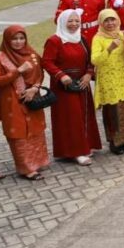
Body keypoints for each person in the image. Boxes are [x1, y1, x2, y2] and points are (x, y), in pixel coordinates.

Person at [43, 10, 101, 165]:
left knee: (85, 114)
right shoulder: (54, 41)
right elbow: (47, 61)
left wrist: (89, 74)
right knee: (71, 118)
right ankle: (75, 151)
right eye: (70, 21)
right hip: (64, 86)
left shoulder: (82, 38)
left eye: (77, 21)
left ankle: (87, 145)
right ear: (62, 22)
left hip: (82, 83)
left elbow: (90, 60)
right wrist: (61, 75)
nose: (74, 24)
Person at [0, 26, 50, 180]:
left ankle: (38, 162)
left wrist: (35, 88)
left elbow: (40, 73)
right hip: (12, 103)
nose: (18, 42)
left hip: (32, 98)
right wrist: (18, 71)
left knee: (36, 130)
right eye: (14, 39)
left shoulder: (31, 54)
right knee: (19, 134)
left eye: (21, 38)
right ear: (7, 40)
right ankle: (26, 169)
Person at [91, 9, 124, 155]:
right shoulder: (98, 38)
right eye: (106, 21)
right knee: (112, 112)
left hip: (123, 78)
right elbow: (95, 59)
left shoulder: (122, 35)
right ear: (101, 22)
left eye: (113, 20)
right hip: (108, 80)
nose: (110, 23)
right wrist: (109, 49)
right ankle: (114, 142)